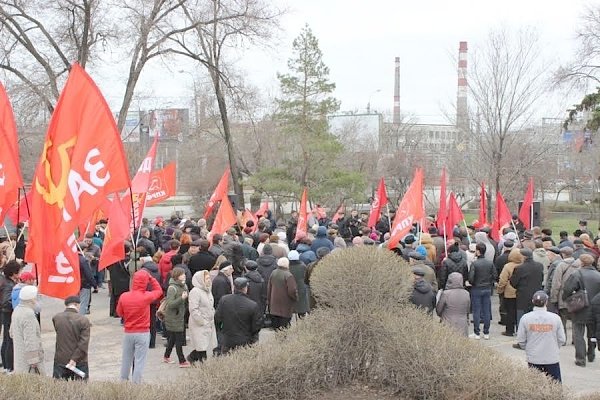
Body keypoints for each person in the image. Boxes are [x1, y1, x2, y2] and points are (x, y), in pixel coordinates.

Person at [116, 269, 163, 384]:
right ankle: (136, 384)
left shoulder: (124, 296)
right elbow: (159, 291)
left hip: (128, 332)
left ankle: (123, 382)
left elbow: (119, 313)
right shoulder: (146, 296)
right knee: (139, 360)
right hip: (143, 332)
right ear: (145, 282)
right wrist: (151, 278)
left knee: (126, 359)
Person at [515, 291, 565, 382]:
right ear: (546, 302)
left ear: (533, 301)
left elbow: (521, 340)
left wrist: (529, 349)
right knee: (555, 387)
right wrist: (554, 348)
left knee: (534, 387)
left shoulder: (525, 318)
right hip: (551, 358)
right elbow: (562, 339)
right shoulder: (555, 318)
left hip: (533, 357)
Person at [562, 254, 600, 367]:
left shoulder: (577, 274)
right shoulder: (598, 275)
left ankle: (580, 358)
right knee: (591, 332)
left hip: (580, 307)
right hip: (595, 307)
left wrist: (566, 299)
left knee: (578, 332)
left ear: (581, 263)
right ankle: (591, 354)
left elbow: (568, 289)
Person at [215, 277, 262, 353]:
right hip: (245, 342)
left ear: (234, 287)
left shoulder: (224, 300)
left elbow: (217, 318)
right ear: (245, 288)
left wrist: (222, 330)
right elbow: (256, 327)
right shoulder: (252, 305)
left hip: (227, 340)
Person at [52, 296, 91, 380]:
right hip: (79, 361)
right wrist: (74, 359)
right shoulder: (83, 320)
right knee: (80, 389)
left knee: (58, 389)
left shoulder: (56, 318)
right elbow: (83, 344)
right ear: (76, 304)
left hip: (60, 359)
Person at [10, 285, 44, 374]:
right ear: (32, 299)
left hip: (19, 357)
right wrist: (34, 360)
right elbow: (30, 339)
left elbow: (11, 333)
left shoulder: (17, 310)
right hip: (28, 362)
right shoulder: (28, 314)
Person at [187, 271, 217, 365]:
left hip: (209, 321)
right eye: (206, 278)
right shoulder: (195, 291)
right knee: (201, 345)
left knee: (204, 344)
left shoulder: (207, 290)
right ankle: (203, 367)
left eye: (209, 278)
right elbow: (193, 309)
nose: (209, 280)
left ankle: (191, 357)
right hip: (199, 323)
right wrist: (201, 321)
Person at [162, 267, 190, 367]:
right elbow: (170, 304)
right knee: (179, 339)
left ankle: (166, 356)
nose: (184, 275)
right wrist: (181, 298)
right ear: (177, 276)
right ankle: (182, 361)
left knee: (173, 338)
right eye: (182, 274)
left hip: (180, 316)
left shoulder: (184, 286)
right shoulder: (172, 288)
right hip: (173, 317)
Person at [468, 243, 496, 339]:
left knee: (477, 310)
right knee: (486, 310)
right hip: (487, 288)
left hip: (476, 288)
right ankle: (486, 332)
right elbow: (495, 275)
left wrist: (472, 282)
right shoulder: (490, 263)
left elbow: (471, 277)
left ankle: (477, 332)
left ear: (478, 251)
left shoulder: (474, 263)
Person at [510, 248, 544, 327]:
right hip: (536, 295)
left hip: (522, 296)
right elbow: (541, 278)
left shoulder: (519, 268)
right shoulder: (539, 266)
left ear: (523, 257)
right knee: (535, 318)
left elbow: (513, 282)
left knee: (522, 319)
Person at [550, 247, 577, 341]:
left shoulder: (561, 265)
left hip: (563, 296)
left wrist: (553, 298)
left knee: (562, 319)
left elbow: (556, 283)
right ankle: (575, 339)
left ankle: (563, 338)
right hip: (576, 297)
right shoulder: (579, 265)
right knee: (575, 320)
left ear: (563, 254)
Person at [497, 248, 524, 337]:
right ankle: (519, 329)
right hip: (520, 292)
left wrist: (500, 290)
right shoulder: (523, 265)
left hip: (509, 292)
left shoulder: (508, 266)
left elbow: (503, 280)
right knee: (519, 312)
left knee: (510, 312)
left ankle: (509, 330)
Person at [1, 260, 21, 373]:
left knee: (6, 339)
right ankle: (9, 365)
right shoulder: (8, 285)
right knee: (9, 340)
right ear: (13, 273)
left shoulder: (7, 281)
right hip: (8, 313)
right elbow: (6, 301)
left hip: (5, 313)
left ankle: (5, 364)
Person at [267, 257, 298, 329]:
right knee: (284, 327)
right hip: (285, 306)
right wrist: (295, 297)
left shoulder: (273, 272)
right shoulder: (288, 275)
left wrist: (269, 300)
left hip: (274, 305)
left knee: (277, 328)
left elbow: (269, 287)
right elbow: (292, 290)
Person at [436, 272, 470, 336]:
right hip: (462, 322)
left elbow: (438, 310)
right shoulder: (466, 293)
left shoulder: (446, 293)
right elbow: (468, 309)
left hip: (448, 321)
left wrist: (441, 315)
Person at [288, 250, 309, 318]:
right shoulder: (303, 266)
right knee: (302, 307)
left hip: (290, 288)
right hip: (301, 288)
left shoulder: (287, 267)